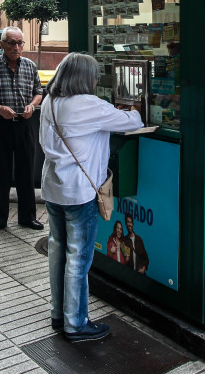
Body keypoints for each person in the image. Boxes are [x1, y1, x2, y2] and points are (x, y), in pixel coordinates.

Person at [39, 52, 143, 342]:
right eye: (95, 74)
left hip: (53, 188)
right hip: (80, 193)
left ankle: (58, 314)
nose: (98, 79)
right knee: (79, 258)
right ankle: (77, 324)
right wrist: (129, 108)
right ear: (86, 78)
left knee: (58, 251)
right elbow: (133, 120)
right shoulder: (89, 105)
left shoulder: (50, 102)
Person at [0, 26, 44, 235]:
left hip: (24, 124)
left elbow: (38, 91)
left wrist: (32, 105)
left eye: (20, 43)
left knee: (26, 172)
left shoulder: (30, 66)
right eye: (12, 43)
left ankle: (28, 217)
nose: (17, 47)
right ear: (2, 44)